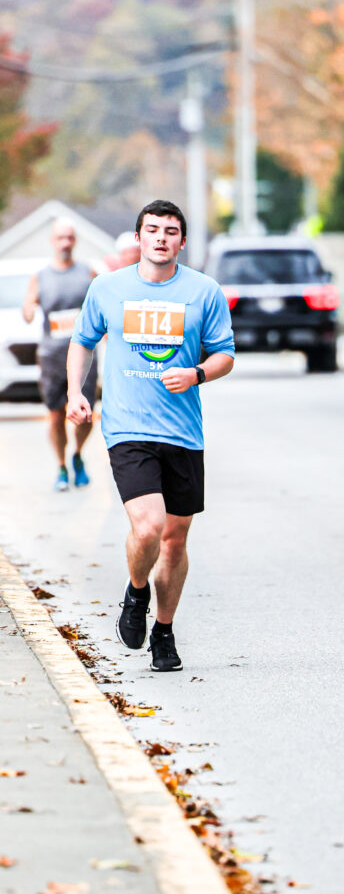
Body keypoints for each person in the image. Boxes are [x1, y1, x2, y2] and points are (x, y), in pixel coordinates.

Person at [66, 199, 235, 672]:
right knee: (149, 527)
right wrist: (75, 393)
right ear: (138, 237)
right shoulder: (108, 288)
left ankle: (164, 630)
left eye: (171, 231)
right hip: (127, 428)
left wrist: (197, 374)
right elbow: (82, 340)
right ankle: (135, 592)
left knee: (176, 541)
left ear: (182, 241)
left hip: (182, 433)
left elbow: (225, 354)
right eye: (153, 230)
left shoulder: (204, 292)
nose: (161, 238)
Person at [22, 217, 97, 491]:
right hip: (52, 356)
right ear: (53, 242)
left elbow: (103, 307)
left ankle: (77, 454)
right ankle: (61, 467)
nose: (65, 243)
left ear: (74, 241)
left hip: (85, 356)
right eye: (60, 238)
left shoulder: (88, 273)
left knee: (86, 414)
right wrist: (29, 310)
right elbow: (28, 307)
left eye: (69, 238)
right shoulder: (41, 276)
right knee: (55, 414)